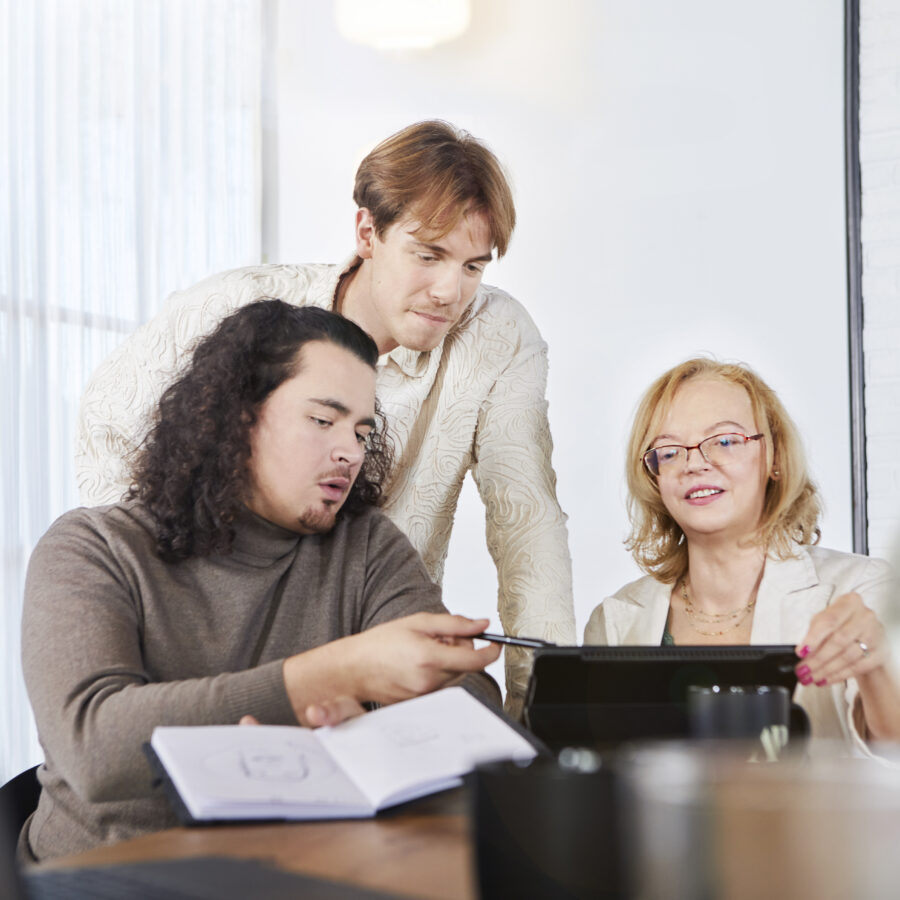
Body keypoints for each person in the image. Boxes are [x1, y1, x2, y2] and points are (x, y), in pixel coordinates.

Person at [75, 120, 575, 717]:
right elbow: (108, 431)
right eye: (428, 254)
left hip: (378, 669)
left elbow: (528, 524)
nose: (450, 290)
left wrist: (547, 718)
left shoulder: (496, 336)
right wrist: (174, 602)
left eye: (473, 266)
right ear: (368, 231)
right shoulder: (231, 310)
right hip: (207, 660)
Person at [21, 300, 501, 861]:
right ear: (237, 417)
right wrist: (332, 677)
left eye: (362, 432)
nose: (349, 452)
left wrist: (369, 730)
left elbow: (472, 705)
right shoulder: (93, 546)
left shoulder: (365, 548)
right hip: (104, 878)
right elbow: (93, 748)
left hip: (298, 872)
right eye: (323, 421)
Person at [584, 357, 900, 751]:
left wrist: (878, 669)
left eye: (726, 441)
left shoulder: (861, 589)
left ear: (775, 460)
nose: (694, 463)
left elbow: (894, 750)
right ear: (654, 478)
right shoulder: (614, 622)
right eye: (669, 452)